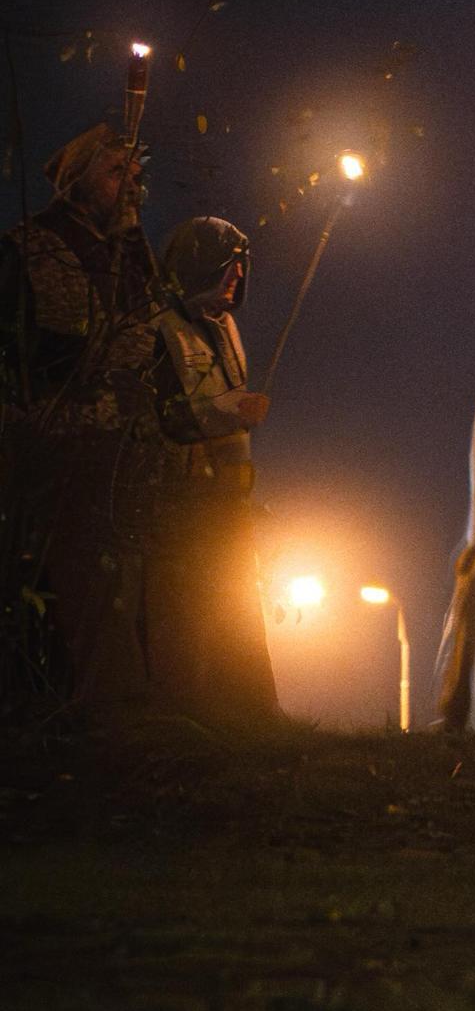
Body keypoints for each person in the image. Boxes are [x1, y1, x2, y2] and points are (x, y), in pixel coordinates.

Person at [0, 121, 176, 718]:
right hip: (57, 453)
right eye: (115, 172)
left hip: (127, 453)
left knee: (134, 582)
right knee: (78, 582)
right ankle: (96, 711)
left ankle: (135, 709)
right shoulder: (32, 249)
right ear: (76, 181)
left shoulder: (134, 259)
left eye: (137, 173)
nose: (132, 185)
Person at [145, 218, 279, 725]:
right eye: (228, 264)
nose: (237, 275)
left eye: (241, 266)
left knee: (236, 604)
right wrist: (232, 411)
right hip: (184, 496)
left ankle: (247, 713)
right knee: (189, 608)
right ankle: (187, 713)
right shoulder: (162, 329)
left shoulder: (225, 327)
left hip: (229, 494)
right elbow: (167, 413)